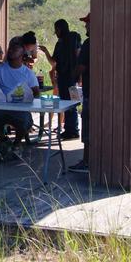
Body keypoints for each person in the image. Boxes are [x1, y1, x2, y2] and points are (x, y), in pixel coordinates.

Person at [0, 37, 41, 162]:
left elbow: (36, 92)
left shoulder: (28, 73)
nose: (11, 50)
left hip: (19, 109)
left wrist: (27, 94)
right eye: (10, 48)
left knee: (26, 121)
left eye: (15, 49)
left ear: (23, 54)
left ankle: (16, 144)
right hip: (0, 107)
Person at [39, 19, 81, 139]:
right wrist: (46, 51)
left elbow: (78, 55)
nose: (56, 32)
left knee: (71, 104)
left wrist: (79, 76)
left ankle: (73, 130)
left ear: (61, 28)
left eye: (56, 29)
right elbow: (54, 63)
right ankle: (69, 129)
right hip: (63, 78)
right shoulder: (59, 44)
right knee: (66, 104)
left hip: (72, 78)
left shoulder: (74, 37)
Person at [69, 14, 91, 173]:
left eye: (88, 24)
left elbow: (82, 67)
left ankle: (87, 161)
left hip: (91, 93)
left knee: (88, 128)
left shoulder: (89, 43)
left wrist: (72, 77)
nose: (86, 27)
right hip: (103, 93)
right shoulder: (106, 41)